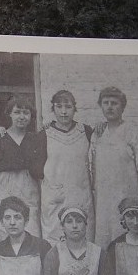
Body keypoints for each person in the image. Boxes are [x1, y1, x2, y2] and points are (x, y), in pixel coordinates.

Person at [89, 87, 138, 250]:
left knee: (125, 232)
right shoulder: (97, 133)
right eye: (105, 103)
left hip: (126, 193)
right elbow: (91, 164)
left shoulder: (132, 131)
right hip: (103, 197)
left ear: (122, 107)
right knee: (104, 235)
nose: (110, 107)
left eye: (114, 103)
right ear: (100, 106)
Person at [38, 89, 94, 242]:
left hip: (80, 194)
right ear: (53, 109)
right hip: (55, 198)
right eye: (59, 107)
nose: (63, 112)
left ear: (74, 108)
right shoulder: (44, 134)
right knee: (54, 240)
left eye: (68, 107)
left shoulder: (86, 132)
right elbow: (37, 169)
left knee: (82, 238)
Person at [0, 96, 44, 238]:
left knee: (30, 226)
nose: (22, 117)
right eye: (17, 112)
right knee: (1, 226)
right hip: (1, 184)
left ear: (31, 116)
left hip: (27, 184)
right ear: (9, 113)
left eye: (26, 113)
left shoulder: (35, 139)